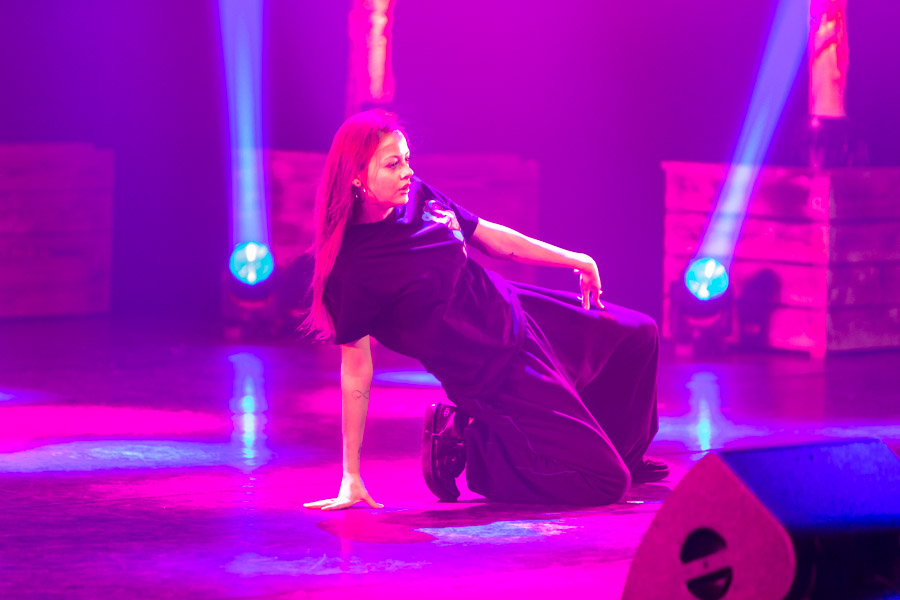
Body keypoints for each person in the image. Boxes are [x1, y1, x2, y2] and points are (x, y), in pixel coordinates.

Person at [303, 109, 666, 511]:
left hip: (520, 311)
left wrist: (576, 260)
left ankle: (624, 454)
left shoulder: (415, 196)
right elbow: (356, 368)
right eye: (393, 164)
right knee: (607, 484)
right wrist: (350, 476)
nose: (407, 171)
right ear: (356, 177)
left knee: (641, 334)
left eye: (407, 159)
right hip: (492, 371)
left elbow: (488, 236)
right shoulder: (353, 268)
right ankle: (470, 443)